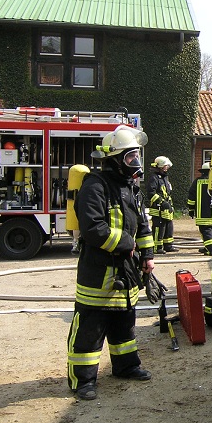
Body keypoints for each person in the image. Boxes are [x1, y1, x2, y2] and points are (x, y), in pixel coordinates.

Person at [67, 124, 155, 401]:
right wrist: (128, 244)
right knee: (90, 328)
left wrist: (147, 256)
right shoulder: (94, 186)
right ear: (114, 159)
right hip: (99, 270)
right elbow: (93, 228)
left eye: (136, 156)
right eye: (130, 157)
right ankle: (83, 380)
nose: (135, 162)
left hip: (126, 269)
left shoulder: (130, 187)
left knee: (124, 322)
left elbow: (142, 224)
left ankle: (126, 366)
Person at [146, 156, 177, 253]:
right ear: (160, 166)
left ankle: (168, 245)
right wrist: (162, 202)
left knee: (168, 226)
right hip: (158, 208)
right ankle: (157, 247)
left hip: (166, 207)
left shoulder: (164, 177)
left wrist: (168, 204)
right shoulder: (154, 177)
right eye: (165, 166)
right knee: (159, 227)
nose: (167, 167)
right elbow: (151, 193)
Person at [187, 161, 212, 256]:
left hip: (202, 213)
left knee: (206, 231)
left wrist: (191, 210)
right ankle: (210, 247)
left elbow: (191, 198)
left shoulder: (197, 182)